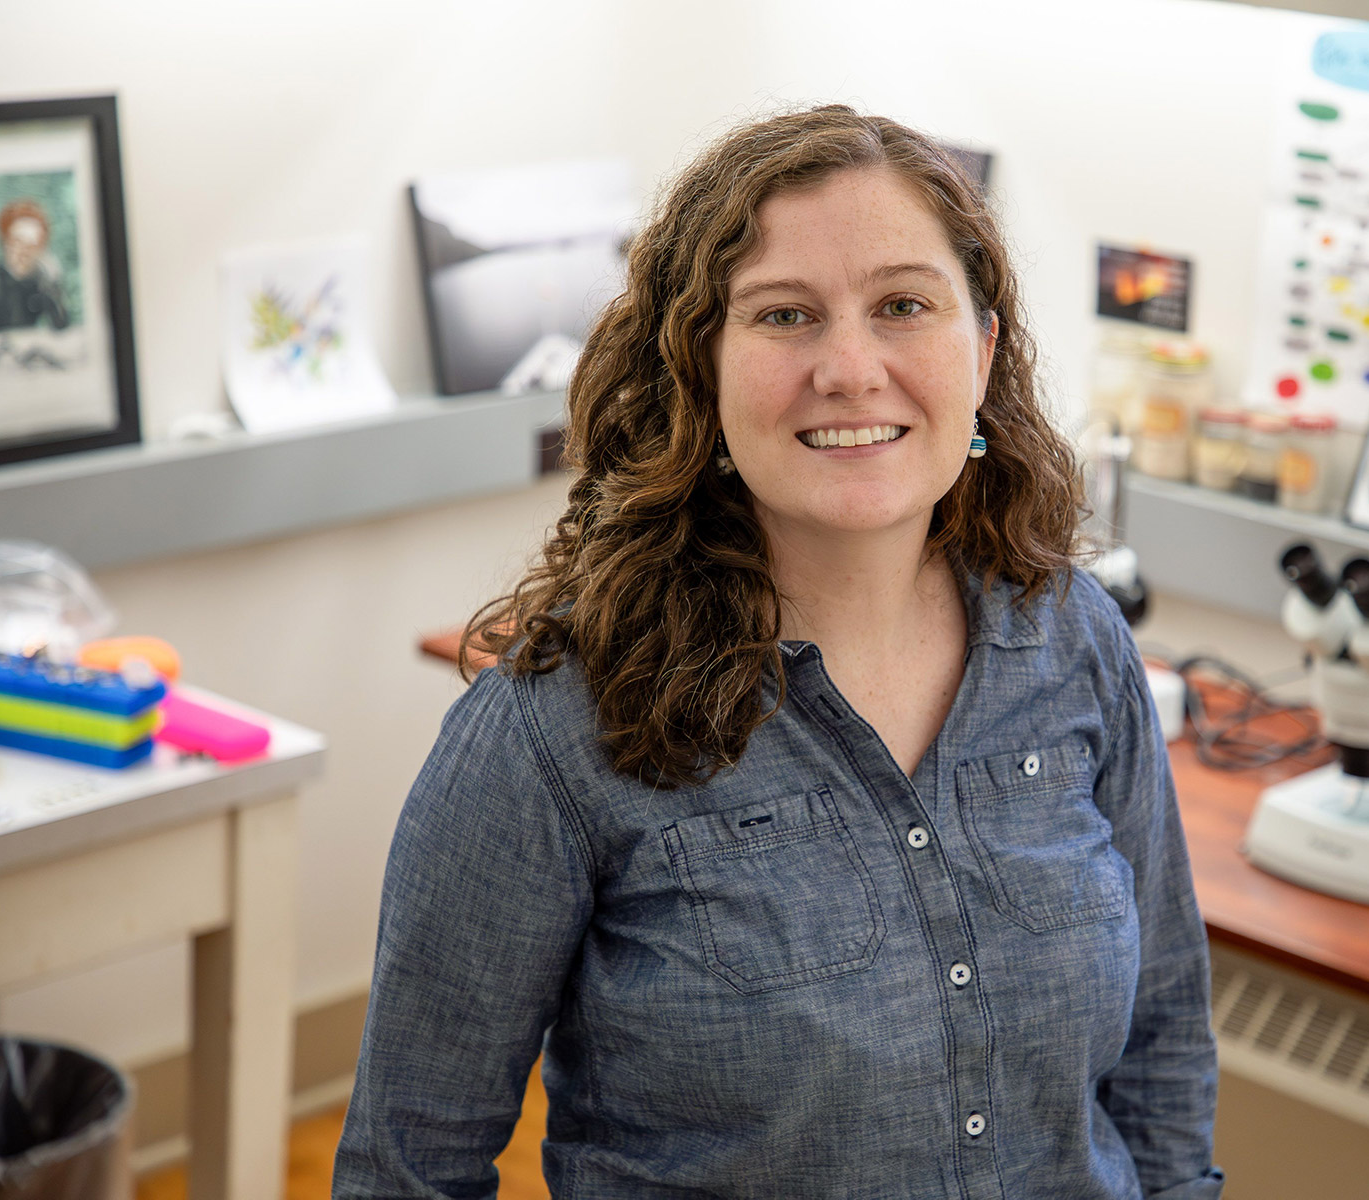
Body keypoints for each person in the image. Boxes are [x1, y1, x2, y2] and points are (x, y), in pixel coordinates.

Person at [334, 105, 1224, 1199]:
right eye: (784, 315)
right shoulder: (549, 733)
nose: (850, 369)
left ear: (982, 351)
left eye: (904, 305)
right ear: (696, 371)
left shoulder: (1074, 640)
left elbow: (1164, 1046)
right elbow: (408, 1168)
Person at [0, 199, 70, 332]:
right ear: (5, 242)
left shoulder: (42, 283)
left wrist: (52, 281)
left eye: (32, 245)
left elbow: (62, 326)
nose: (23, 252)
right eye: (17, 241)